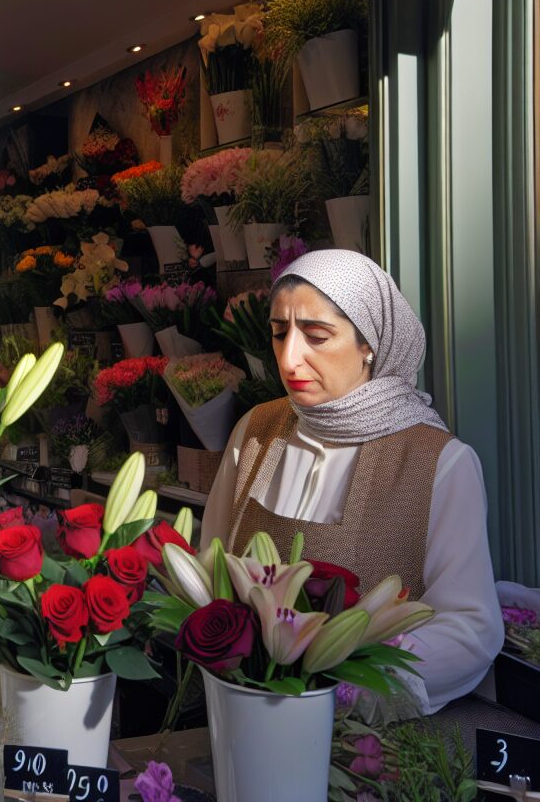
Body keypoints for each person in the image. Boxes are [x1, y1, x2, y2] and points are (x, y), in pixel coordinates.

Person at [199, 249, 503, 713]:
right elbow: (212, 562)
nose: (289, 358)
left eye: (317, 336)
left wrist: (352, 682)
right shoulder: (256, 431)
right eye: (279, 333)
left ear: (370, 343)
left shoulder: (439, 462)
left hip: (372, 746)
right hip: (242, 713)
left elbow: (470, 626)